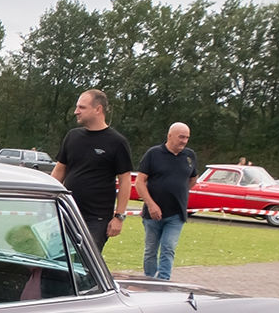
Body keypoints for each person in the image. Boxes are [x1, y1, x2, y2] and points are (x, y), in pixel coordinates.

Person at [52, 89, 133, 250]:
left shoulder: (117, 142)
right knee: (57, 262)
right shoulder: (72, 136)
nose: (76, 112)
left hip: (96, 219)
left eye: (82, 107)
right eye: (77, 107)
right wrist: (45, 198)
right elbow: (60, 170)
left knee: (84, 268)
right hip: (67, 212)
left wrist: (119, 217)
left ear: (98, 109)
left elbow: (125, 181)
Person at [137, 122, 198, 280]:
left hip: (176, 214)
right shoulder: (153, 154)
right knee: (150, 250)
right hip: (153, 214)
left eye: (187, 138)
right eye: (181, 137)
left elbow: (192, 179)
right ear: (170, 136)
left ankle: (163, 281)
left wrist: (178, 192)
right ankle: (150, 279)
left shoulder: (190, 156)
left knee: (168, 247)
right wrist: (151, 204)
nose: (184, 141)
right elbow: (139, 182)